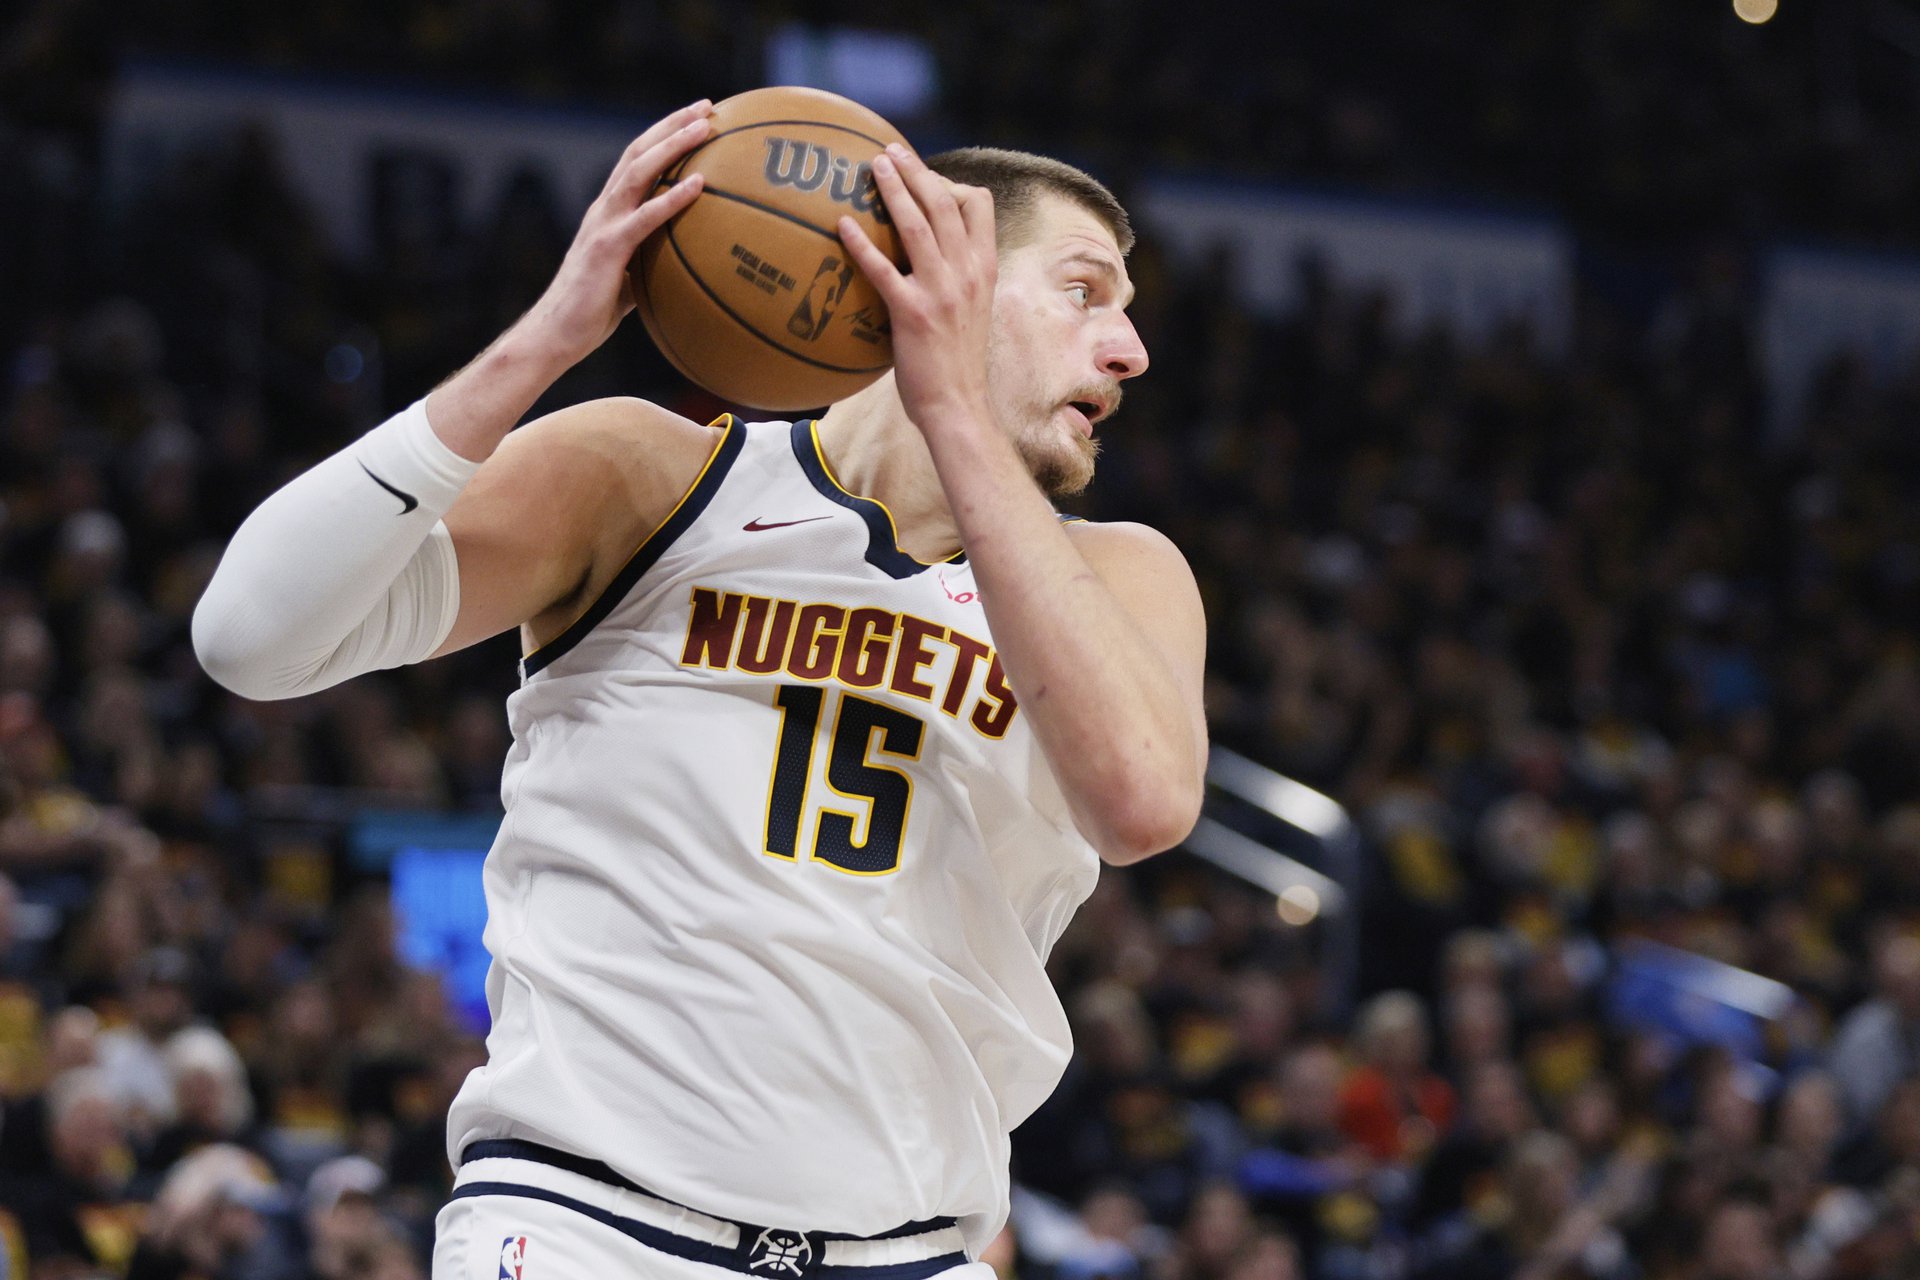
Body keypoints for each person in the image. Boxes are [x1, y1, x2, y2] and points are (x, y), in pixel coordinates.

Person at [192, 99, 1208, 1280]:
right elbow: (249, 638)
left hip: (910, 1250)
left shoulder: (1119, 574)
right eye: (1085, 291)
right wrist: (545, 340)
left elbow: (1141, 803)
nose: (1130, 349)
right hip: (587, 1226)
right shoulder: (654, 477)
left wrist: (952, 412)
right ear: (935, 270)